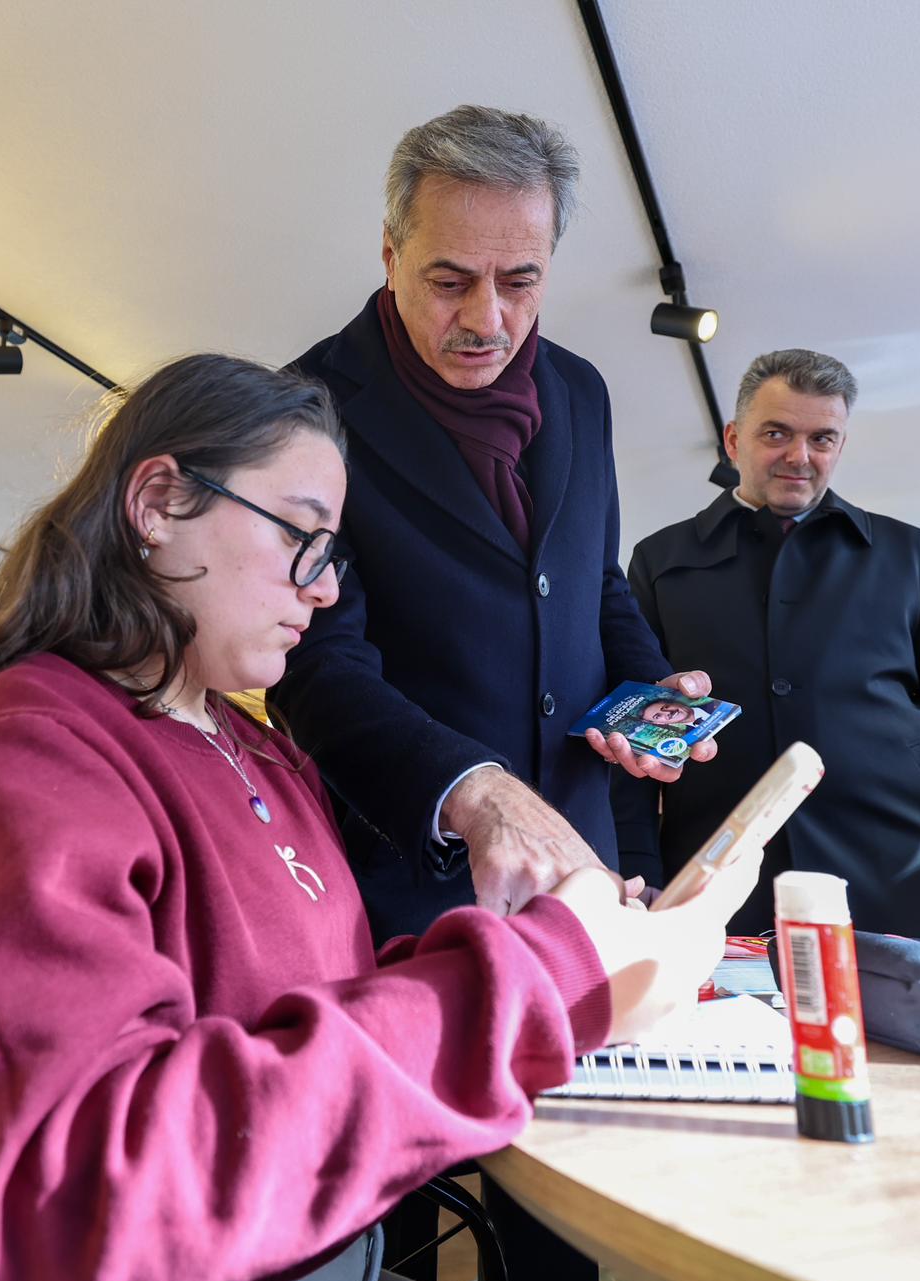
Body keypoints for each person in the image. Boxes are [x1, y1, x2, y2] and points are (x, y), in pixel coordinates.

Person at [0, 355, 760, 1281]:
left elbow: (307, 1002)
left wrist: (574, 953)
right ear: (159, 504)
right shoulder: (22, 752)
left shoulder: (253, 750)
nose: (327, 587)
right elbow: (79, 1204)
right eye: (302, 535)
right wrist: (544, 975)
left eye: (335, 552)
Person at [273, 106, 717, 953]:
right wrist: (468, 790)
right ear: (390, 255)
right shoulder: (306, 411)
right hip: (407, 878)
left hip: (580, 861)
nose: (487, 321)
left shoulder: (581, 392)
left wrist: (648, 688)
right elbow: (316, 669)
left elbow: (595, 581)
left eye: (520, 281)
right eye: (449, 282)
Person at [615, 349, 920, 942]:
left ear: (840, 446)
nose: (800, 456)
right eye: (777, 433)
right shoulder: (660, 562)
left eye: (822, 438)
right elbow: (632, 733)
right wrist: (638, 873)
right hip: (720, 891)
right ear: (734, 439)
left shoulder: (907, 555)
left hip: (903, 880)